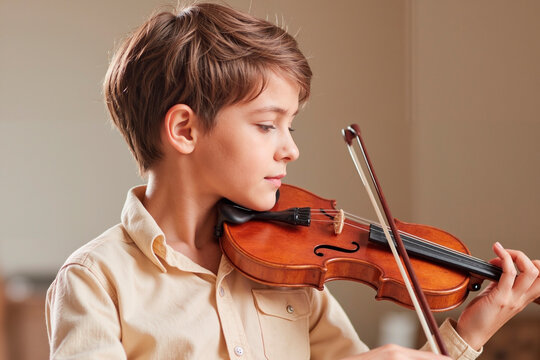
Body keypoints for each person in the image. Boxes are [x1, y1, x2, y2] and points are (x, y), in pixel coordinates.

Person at [45, 3, 540, 359]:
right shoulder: (95, 280)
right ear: (185, 129)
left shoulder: (289, 265)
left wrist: (469, 334)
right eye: (266, 124)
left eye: (291, 125)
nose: (291, 148)